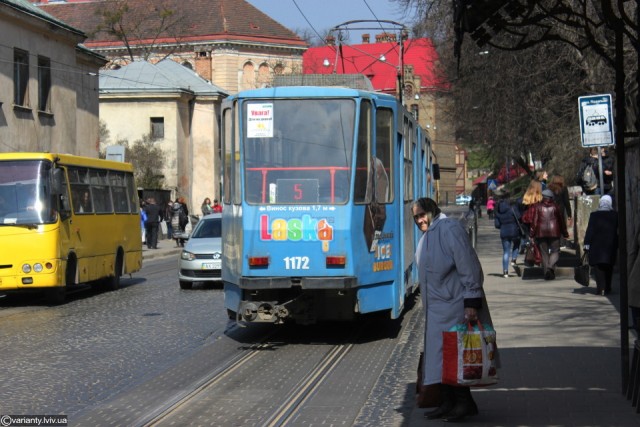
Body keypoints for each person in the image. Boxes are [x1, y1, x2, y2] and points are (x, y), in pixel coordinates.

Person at [412, 197, 495, 422]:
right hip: (438, 307)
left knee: (456, 356)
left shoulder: (448, 229)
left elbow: (468, 265)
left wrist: (471, 302)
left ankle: (463, 403)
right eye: (416, 217)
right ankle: (448, 402)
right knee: (443, 357)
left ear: (432, 211)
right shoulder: (430, 233)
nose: (419, 220)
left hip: (454, 305)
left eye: (422, 215)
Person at [528, 189, 569, 280]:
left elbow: (534, 222)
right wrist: (565, 233)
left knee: (544, 253)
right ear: (551, 198)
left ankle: (546, 272)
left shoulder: (538, 207)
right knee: (555, 251)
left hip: (541, 232)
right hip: (554, 232)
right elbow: (561, 221)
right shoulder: (555, 207)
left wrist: (531, 234)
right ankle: (550, 267)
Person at [583, 195, 618, 295]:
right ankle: (607, 287)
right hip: (610, 246)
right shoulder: (615, 215)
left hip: (596, 246)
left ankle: (600, 288)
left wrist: (587, 243)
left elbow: (590, 230)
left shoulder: (594, 215)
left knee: (598, 268)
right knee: (609, 267)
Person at [494, 191, 522, 277]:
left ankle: (505, 272)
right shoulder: (512, 207)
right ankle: (513, 259)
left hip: (504, 231)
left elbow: (497, 225)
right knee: (517, 244)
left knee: (506, 252)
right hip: (514, 230)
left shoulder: (498, 209)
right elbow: (519, 217)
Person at [547, 175, 573, 246]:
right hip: (560, 210)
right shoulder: (563, 188)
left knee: (552, 226)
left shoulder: (549, 188)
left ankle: (552, 242)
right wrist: (569, 214)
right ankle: (561, 243)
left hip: (550, 210)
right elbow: (566, 202)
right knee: (561, 226)